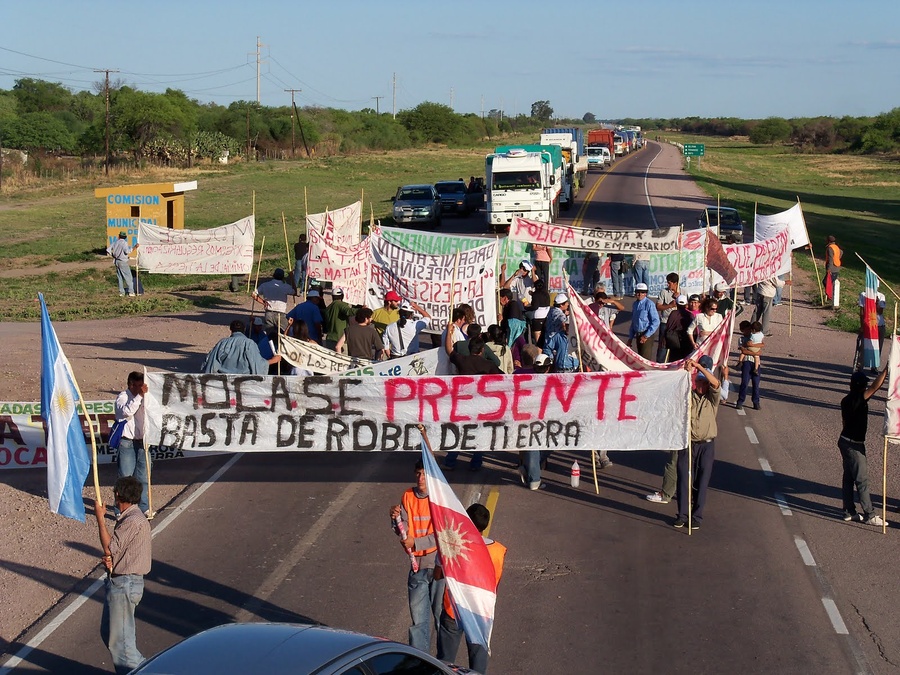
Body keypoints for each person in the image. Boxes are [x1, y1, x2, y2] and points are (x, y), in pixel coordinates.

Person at [436, 503, 506, 674]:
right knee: (478, 659)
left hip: (453, 609)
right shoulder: (498, 550)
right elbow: (495, 582)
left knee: (445, 662)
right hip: (480, 611)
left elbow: (437, 575)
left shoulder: (452, 544)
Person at [94, 476, 151, 675]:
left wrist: (100, 518)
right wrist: (113, 562)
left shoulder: (132, 520)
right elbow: (121, 552)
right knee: (111, 634)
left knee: (122, 646)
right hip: (123, 580)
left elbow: (110, 548)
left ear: (118, 495)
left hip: (125, 584)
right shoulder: (132, 518)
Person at [389, 460, 445, 653]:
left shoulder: (440, 498)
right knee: (418, 623)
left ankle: (445, 662)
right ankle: (421, 663)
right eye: (418, 474)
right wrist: (394, 518)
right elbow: (402, 529)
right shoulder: (408, 496)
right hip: (417, 567)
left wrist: (417, 544)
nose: (421, 479)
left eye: (424, 474)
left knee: (441, 618)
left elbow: (442, 533)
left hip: (438, 566)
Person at [674, 356, 721, 529]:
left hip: (706, 445)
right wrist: (688, 370)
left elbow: (716, 384)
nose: (701, 386)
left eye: (703, 383)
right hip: (688, 443)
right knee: (685, 479)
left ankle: (697, 516)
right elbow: (680, 387)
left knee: (702, 482)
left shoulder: (712, 399)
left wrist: (699, 368)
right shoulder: (689, 396)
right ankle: (682, 515)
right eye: (698, 383)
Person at [839, 369, 888, 526]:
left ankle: (849, 511)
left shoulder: (845, 400)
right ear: (861, 387)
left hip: (844, 441)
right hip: (854, 445)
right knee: (861, 480)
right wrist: (886, 371)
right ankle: (869, 514)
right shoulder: (859, 399)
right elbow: (875, 387)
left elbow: (844, 423)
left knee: (848, 478)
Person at [114, 372, 152, 518]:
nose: (138, 388)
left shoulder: (145, 397)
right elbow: (126, 411)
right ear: (130, 384)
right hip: (127, 441)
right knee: (125, 476)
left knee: (143, 476)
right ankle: (119, 510)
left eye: (140, 385)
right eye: (135, 385)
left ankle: (144, 508)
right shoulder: (123, 397)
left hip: (143, 441)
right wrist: (139, 397)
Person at [201, 319, 281, 374]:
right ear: (244, 329)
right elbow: (258, 365)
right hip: (244, 381)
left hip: (223, 381)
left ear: (231, 330)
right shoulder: (249, 344)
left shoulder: (222, 343)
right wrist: (273, 360)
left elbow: (210, 363)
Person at [252, 268, 292, 336]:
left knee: (270, 336)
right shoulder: (285, 286)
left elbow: (253, 294)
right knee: (286, 334)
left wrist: (263, 302)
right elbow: (295, 292)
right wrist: (292, 279)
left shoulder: (265, 285)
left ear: (273, 275)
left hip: (269, 313)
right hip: (280, 314)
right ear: (282, 277)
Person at [735, 320, 764, 411]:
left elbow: (762, 344)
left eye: (749, 330)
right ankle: (740, 401)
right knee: (744, 382)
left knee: (756, 383)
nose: (748, 332)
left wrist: (755, 349)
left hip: (756, 363)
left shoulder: (755, 337)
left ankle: (756, 402)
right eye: (746, 330)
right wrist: (755, 352)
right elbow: (743, 351)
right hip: (747, 361)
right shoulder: (742, 339)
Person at [627, 283, 660, 360]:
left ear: (645, 293)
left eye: (642, 292)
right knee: (640, 359)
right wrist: (630, 338)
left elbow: (656, 321)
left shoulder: (649, 304)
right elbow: (634, 322)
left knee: (645, 359)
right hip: (638, 334)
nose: (640, 294)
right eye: (638, 292)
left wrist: (646, 335)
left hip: (646, 335)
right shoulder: (635, 304)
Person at [856, 288, 887, 371]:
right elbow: (862, 312)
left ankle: (874, 366)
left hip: (879, 325)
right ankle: (859, 366)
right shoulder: (864, 295)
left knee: (878, 346)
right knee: (863, 345)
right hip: (868, 324)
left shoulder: (881, 296)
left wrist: (876, 303)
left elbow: (880, 312)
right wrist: (862, 325)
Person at [660, 294, 693, 363]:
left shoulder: (673, 313)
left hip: (674, 342)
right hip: (686, 342)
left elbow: (668, 327)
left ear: (677, 304)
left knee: (674, 361)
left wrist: (664, 340)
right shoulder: (690, 314)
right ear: (686, 304)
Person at [655, 273, 680, 360]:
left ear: (675, 283)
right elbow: (658, 307)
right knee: (663, 346)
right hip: (665, 322)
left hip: (678, 324)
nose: (667, 285)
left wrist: (680, 298)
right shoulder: (664, 292)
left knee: (677, 346)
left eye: (669, 283)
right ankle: (660, 364)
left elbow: (688, 307)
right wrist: (669, 305)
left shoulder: (683, 292)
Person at [106, 231, 138, 297]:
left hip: (116, 261)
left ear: (119, 236)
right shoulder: (124, 243)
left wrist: (113, 255)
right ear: (125, 237)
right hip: (123, 261)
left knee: (120, 277)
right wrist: (134, 247)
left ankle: (121, 292)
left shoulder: (115, 242)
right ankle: (131, 292)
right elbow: (127, 251)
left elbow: (108, 250)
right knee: (128, 277)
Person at [824, 235, 843, 302]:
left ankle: (830, 296)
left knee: (826, 282)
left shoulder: (830, 248)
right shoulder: (836, 247)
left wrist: (829, 269)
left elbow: (830, 259)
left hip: (832, 268)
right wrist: (838, 258)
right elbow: (841, 252)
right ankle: (830, 296)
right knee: (830, 282)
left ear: (828, 241)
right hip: (837, 267)